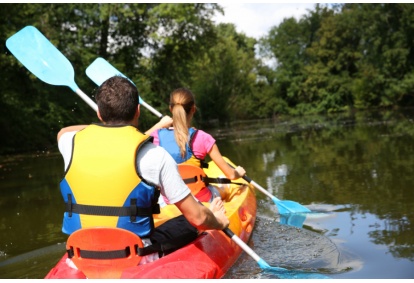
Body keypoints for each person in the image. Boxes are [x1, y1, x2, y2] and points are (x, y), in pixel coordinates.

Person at [57, 75, 229, 266]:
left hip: (79, 255)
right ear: (138, 111)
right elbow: (197, 217)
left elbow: (64, 131)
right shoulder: (155, 155)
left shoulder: (69, 144)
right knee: (192, 219)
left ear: (99, 114)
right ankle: (212, 212)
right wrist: (219, 221)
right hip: (136, 258)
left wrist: (102, 127)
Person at [150, 87, 246, 203]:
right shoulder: (203, 138)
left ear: (171, 109)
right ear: (193, 109)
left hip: (170, 201)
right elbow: (230, 175)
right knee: (226, 187)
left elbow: (135, 144)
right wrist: (238, 172)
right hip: (201, 200)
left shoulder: (156, 136)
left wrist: (159, 125)